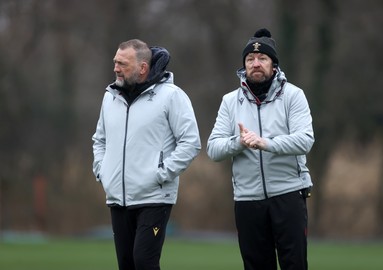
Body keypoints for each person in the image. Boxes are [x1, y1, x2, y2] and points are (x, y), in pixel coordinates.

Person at [207, 28, 314, 270]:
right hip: (247, 200)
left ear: (274, 65)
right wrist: (239, 142)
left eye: (262, 58)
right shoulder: (230, 101)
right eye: (250, 59)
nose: (256, 63)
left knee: (294, 264)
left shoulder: (293, 95)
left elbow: (305, 140)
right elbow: (213, 149)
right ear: (243, 66)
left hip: (288, 194)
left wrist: (265, 143)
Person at [92, 39, 201, 270]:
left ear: (143, 68)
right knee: (126, 264)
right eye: (115, 62)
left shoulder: (172, 96)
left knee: (144, 262)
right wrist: (103, 170)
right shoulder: (109, 97)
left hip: (154, 197)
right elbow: (99, 140)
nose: (116, 68)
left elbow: (191, 142)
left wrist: (161, 174)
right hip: (118, 199)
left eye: (122, 63)